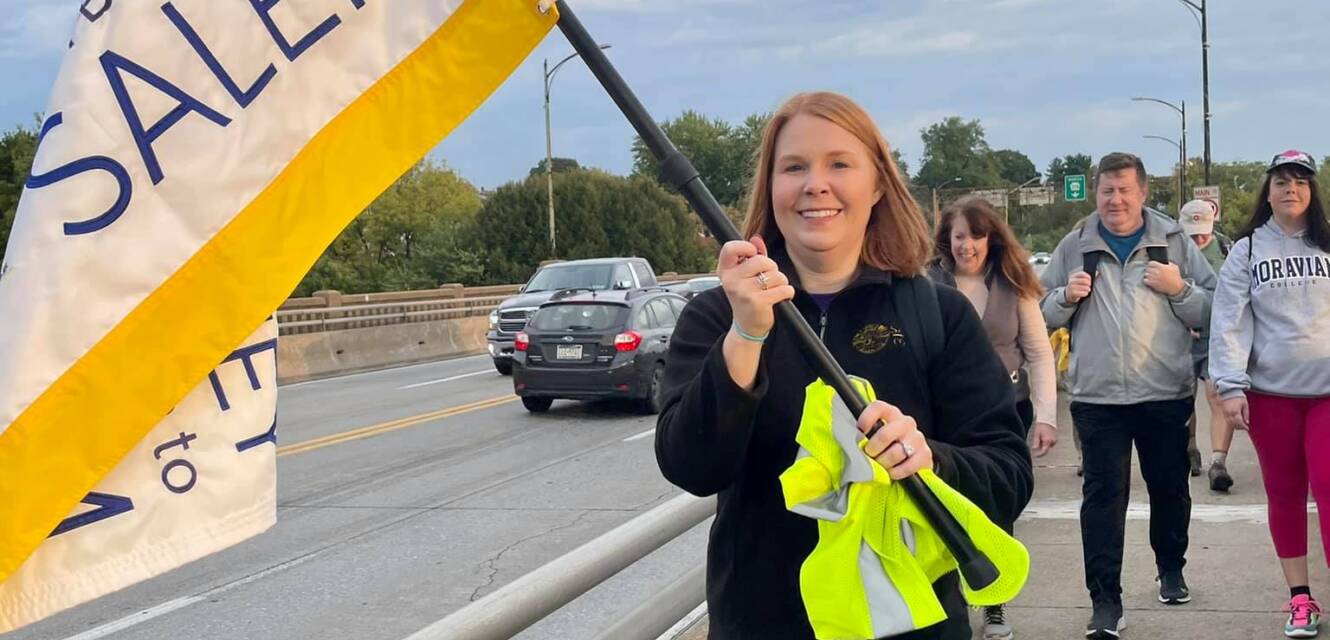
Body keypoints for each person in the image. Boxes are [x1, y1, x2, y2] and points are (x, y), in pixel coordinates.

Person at [655, 91, 1033, 640]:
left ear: (877, 184)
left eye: (839, 164)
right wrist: (745, 335)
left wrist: (931, 461)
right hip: (761, 623)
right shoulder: (716, 315)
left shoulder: (939, 313)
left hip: (912, 627)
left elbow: (1008, 477)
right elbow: (691, 467)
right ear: (771, 188)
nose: (815, 184)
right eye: (794, 167)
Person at [1040, 152, 1217, 639]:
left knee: (1170, 489)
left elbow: (1214, 308)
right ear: (1096, 193)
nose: (1114, 200)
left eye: (1124, 190)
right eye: (1106, 191)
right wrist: (1064, 298)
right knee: (1102, 499)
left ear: (1142, 192)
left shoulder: (1175, 242)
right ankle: (1104, 602)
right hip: (1097, 399)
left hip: (1164, 392)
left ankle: (1171, 566)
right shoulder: (1075, 245)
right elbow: (1038, 313)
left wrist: (1179, 289)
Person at [1209, 150, 1330, 638]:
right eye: (1282, 181)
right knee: (1283, 493)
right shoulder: (1248, 251)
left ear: (1312, 191)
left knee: (1329, 487)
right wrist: (1231, 385)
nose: (1291, 190)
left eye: (1301, 182)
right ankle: (1301, 599)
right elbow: (1230, 321)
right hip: (1271, 395)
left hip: (1326, 392)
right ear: (1269, 190)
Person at [929, 196, 1057, 640]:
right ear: (947, 238)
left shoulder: (1013, 283)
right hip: (942, 415)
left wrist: (1046, 417)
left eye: (976, 236)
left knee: (991, 504)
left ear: (992, 239)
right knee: (940, 507)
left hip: (1003, 410)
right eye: (959, 236)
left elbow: (1040, 354)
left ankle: (993, 600)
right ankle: (948, 597)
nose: (967, 245)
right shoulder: (927, 282)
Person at [1177, 198, 1237, 491]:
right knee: (1182, 399)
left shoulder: (1228, 250)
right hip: (1181, 338)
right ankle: (1190, 448)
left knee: (1217, 397)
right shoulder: (1170, 252)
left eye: (1203, 231)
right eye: (1192, 232)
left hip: (1217, 337)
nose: (1198, 238)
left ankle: (1218, 462)